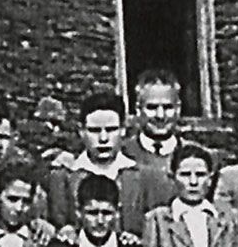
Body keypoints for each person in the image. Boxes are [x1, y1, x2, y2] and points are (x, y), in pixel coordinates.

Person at [47, 92, 175, 235]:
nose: (103, 138)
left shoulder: (147, 178)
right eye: (94, 130)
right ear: (81, 131)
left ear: (123, 130)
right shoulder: (63, 177)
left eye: (111, 130)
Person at [121, 69, 183, 173]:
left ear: (178, 109)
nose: (160, 116)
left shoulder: (195, 158)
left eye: (168, 107)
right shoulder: (122, 154)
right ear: (138, 109)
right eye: (152, 107)